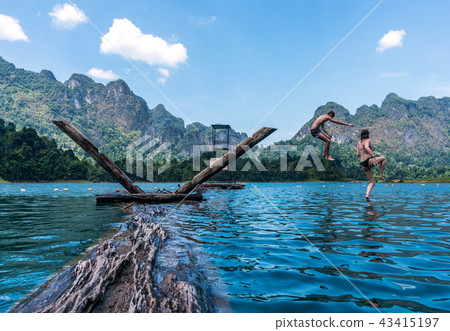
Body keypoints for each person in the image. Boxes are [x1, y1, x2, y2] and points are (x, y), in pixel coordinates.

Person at [357, 129, 386, 201]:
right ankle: (380, 175)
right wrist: (373, 157)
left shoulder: (359, 142)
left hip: (363, 163)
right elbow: (366, 147)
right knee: (383, 159)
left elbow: (358, 154)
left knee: (372, 182)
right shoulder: (367, 140)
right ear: (367, 134)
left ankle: (367, 195)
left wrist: (364, 151)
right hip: (368, 160)